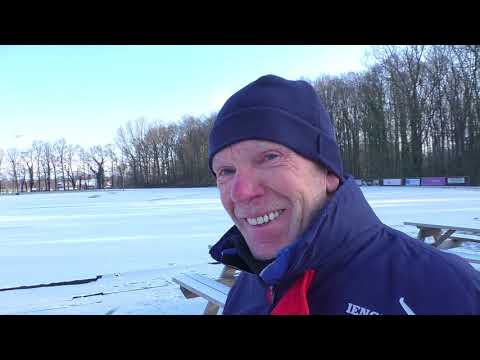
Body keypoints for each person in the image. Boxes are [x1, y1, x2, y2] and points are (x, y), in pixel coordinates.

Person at [208, 74, 480, 315]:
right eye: (226, 171)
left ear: (328, 171)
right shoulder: (248, 288)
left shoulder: (446, 291)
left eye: (269, 157)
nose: (242, 192)